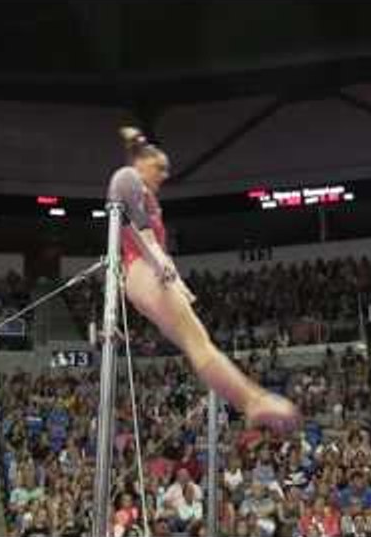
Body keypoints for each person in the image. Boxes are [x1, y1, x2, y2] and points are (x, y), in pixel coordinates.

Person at [110, 127, 299, 433]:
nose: (165, 175)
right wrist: (161, 266)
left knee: (199, 346)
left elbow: (151, 242)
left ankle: (251, 400)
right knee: (199, 344)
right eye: (160, 168)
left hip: (146, 271)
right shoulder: (128, 179)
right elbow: (140, 233)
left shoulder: (146, 194)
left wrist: (175, 282)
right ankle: (253, 400)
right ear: (142, 163)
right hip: (141, 269)